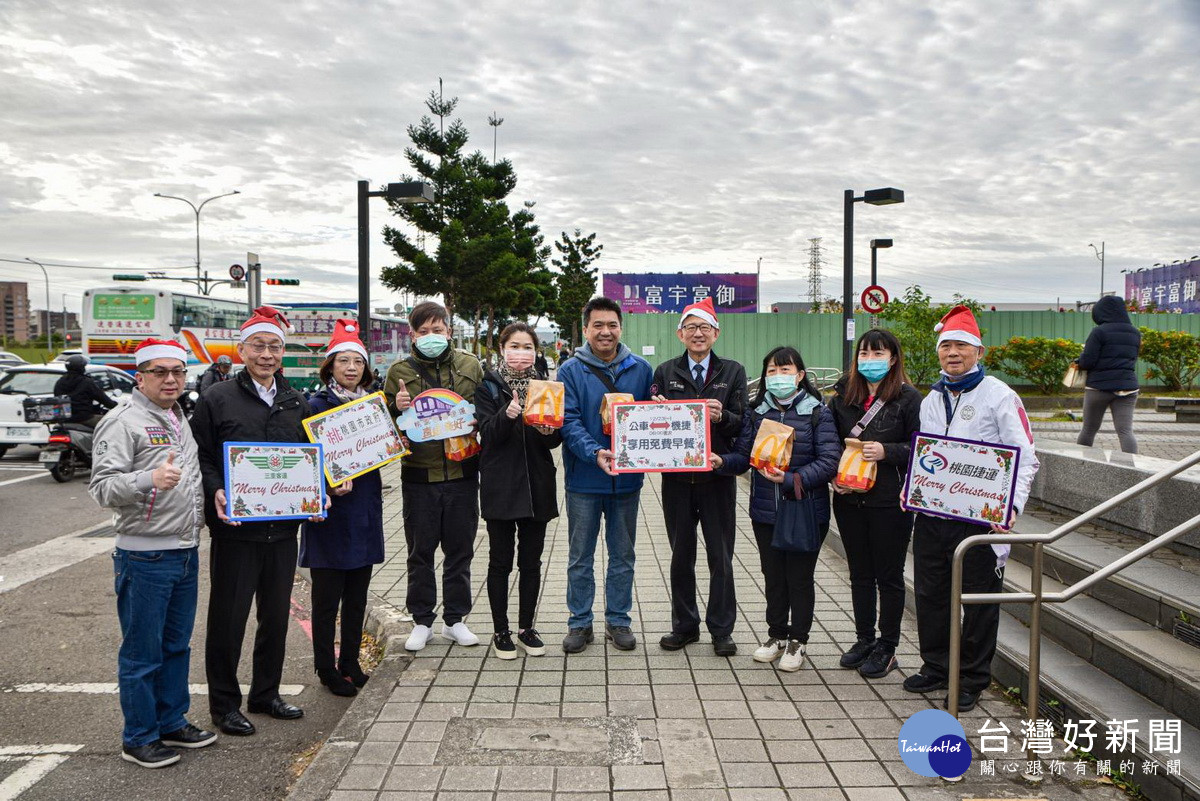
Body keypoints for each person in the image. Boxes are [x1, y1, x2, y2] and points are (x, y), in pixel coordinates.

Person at [903, 305, 1040, 712]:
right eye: (946, 345)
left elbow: (1025, 456)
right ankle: (937, 665)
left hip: (981, 520)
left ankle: (973, 678)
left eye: (961, 345)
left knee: (979, 601)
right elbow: (926, 453)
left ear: (979, 351)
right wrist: (913, 488)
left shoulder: (1000, 395)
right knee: (931, 595)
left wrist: (1010, 507)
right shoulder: (932, 397)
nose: (953, 353)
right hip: (932, 516)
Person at [89, 339, 215, 768]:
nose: (171, 379)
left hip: (184, 550)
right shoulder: (122, 421)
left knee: (176, 645)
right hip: (144, 556)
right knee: (142, 652)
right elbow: (102, 488)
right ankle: (139, 736)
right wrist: (147, 479)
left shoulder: (178, 416)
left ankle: (171, 720)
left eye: (178, 371)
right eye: (159, 372)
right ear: (139, 377)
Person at [190, 306, 315, 737]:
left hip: (283, 530)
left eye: (274, 346)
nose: (267, 354)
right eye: (258, 346)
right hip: (236, 530)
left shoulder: (295, 400)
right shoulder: (217, 397)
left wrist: (324, 488)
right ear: (241, 350)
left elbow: (308, 461)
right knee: (228, 618)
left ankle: (267, 693)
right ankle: (224, 705)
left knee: (275, 617)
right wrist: (215, 489)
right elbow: (202, 456)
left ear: (283, 351)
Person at [717, 346, 839, 672]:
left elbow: (829, 461)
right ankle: (776, 636)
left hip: (803, 509)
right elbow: (744, 455)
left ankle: (798, 640)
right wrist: (721, 462)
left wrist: (789, 479)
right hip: (765, 511)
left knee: (799, 578)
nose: (778, 377)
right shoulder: (758, 412)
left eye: (785, 371)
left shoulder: (817, 412)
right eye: (771, 371)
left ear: (800, 375)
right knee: (772, 577)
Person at [384, 301, 484, 652]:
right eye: (423, 331)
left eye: (437, 330)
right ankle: (422, 621)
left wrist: (478, 423)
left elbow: (484, 410)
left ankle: (455, 620)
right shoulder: (398, 371)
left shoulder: (470, 365)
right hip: (418, 476)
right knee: (419, 552)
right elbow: (385, 427)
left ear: (449, 331)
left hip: (462, 472)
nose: (431, 337)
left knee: (461, 551)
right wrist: (397, 412)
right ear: (412, 334)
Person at [651, 298, 747, 656]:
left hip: (717, 477)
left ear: (716, 333)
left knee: (721, 556)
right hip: (676, 479)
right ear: (680, 333)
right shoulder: (664, 371)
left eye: (704, 327)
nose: (697, 333)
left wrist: (722, 417)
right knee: (680, 556)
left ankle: (722, 629)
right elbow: (648, 417)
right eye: (690, 327)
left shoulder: (733, 372)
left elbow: (744, 421)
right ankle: (685, 626)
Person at [558, 297, 653, 653]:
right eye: (597, 325)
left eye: (611, 325)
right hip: (584, 479)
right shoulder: (570, 369)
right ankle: (579, 623)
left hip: (627, 481)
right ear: (585, 329)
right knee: (579, 556)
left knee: (623, 554)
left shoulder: (641, 369)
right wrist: (594, 452)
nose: (605, 331)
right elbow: (568, 420)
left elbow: (648, 419)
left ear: (620, 328)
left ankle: (618, 620)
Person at [829, 329, 922, 679]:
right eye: (864, 354)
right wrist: (833, 477)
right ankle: (864, 639)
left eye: (878, 353)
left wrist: (889, 451)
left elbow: (925, 450)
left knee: (889, 575)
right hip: (850, 498)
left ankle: (888, 646)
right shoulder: (842, 397)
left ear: (893, 358)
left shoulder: (909, 399)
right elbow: (830, 443)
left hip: (889, 500)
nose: (870, 361)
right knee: (860, 574)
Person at [300, 320, 382, 697]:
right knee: (325, 599)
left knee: (358, 596)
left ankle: (350, 660)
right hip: (329, 515)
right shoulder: (314, 407)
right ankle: (326, 668)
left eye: (358, 362)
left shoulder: (371, 406)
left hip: (363, 511)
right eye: (343, 361)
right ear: (329, 366)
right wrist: (326, 483)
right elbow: (300, 462)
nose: (351, 368)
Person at [475, 322, 562, 659]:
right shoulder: (488, 387)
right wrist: (508, 413)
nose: (521, 353)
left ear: (536, 351)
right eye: (514, 346)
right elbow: (486, 434)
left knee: (532, 562)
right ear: (502, 349)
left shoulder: (547, 387)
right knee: (500, 562)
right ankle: (501, 631)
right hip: (500, 484)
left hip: (538, 484)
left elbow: (555, 438)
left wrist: (547, 430)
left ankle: (527, 627)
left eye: (527, 347)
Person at [1074, 295, 1141, 454]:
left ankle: (1080, 465)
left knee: (1089, 429)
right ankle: (1133, 470)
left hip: (1099, 388)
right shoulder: (1135, 333)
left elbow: (1088, 361)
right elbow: (1133, 358)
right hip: (1128, 388)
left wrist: (1079, 361)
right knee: (1125, 431)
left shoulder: (1099, 332)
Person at [54, 354, 116, 427]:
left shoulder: (60, 382)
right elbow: (103, 399)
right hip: (84, 418)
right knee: (113, 422)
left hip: (64, 419)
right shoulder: (86, 382)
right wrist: (116, 406)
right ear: (81, 368)